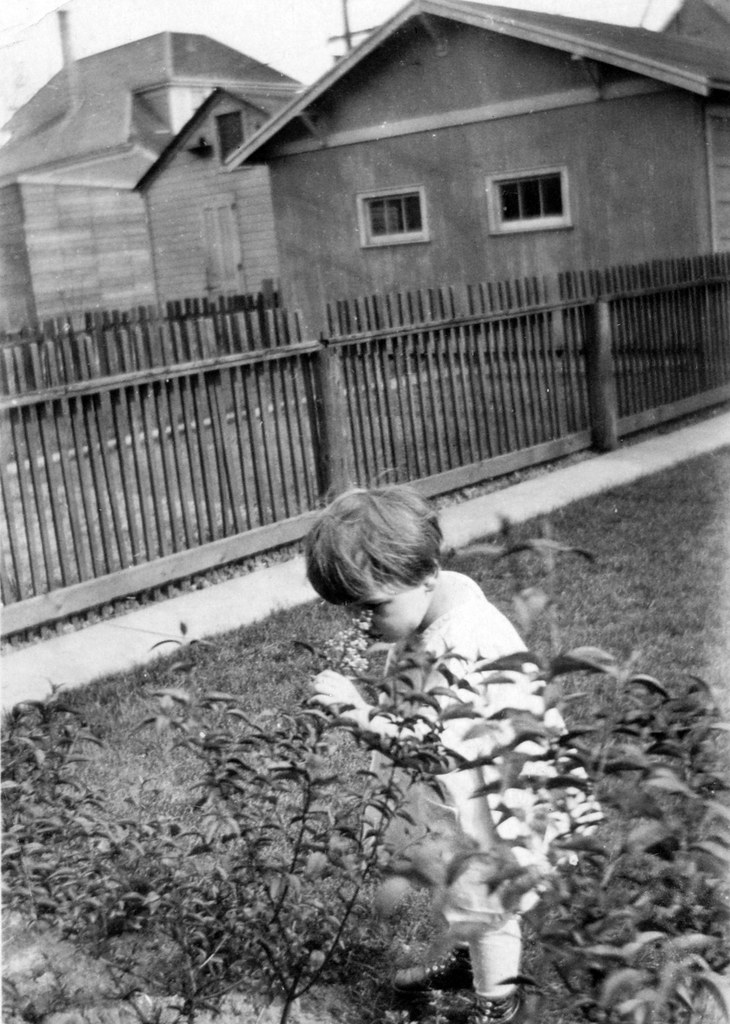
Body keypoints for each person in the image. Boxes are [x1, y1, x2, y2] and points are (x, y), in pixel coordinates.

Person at [305, 485, 591, 1024]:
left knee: (486, 899)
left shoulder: (456, 644)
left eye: (371, 608)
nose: (362, 625)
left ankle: (496, 1004)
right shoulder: (439, 596)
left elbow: (425, 748)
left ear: (426, 574)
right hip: (472, 778)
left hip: (495, 798)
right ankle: (468, 964)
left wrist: (357, 714)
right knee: (456, 879)